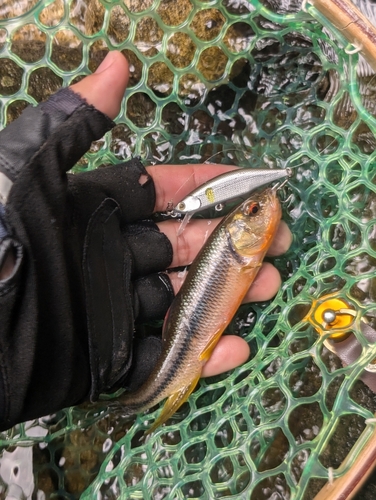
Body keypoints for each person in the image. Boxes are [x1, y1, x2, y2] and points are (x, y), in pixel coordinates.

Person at [0, 51, 292, 431]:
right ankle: (138, 401)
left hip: (181, 338)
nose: (262, 208)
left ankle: (136, 401)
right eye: (252, 211)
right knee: (181, 371)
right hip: (180, 349)